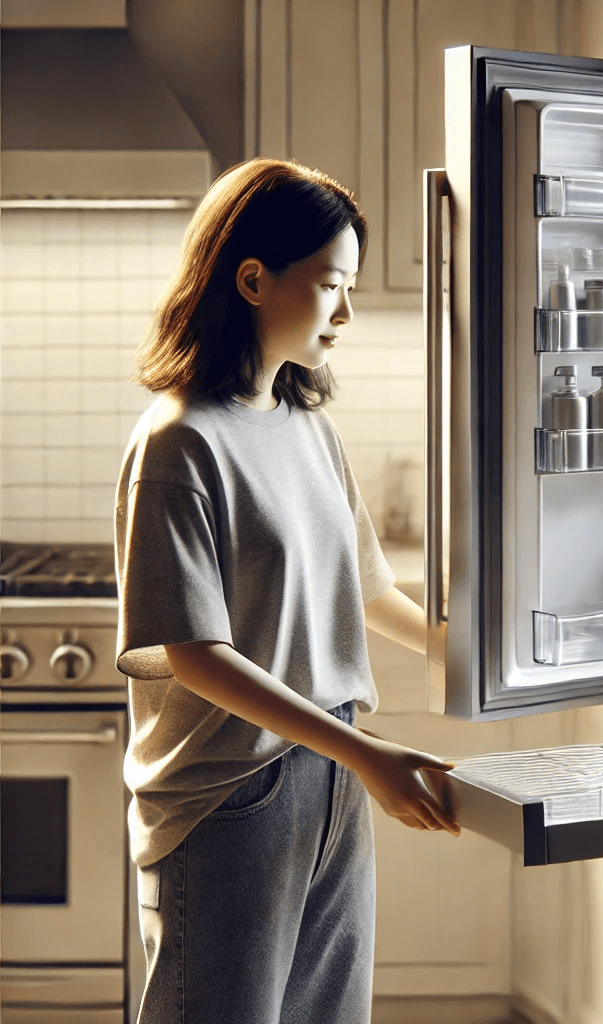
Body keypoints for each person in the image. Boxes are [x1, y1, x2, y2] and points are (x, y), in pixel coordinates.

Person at [114, 157, 459, 1024]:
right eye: (331, 285)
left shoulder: (309, 425)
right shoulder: (178, 444)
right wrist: (368, 756)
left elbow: (368, 589)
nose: (346, 311)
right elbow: (198, 657)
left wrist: (480, 659)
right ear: (255, 278)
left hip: (331, 772)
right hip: (229, 794)